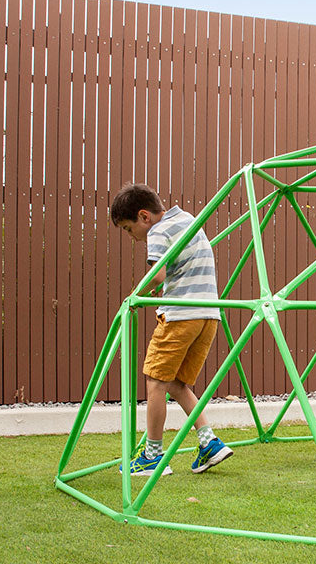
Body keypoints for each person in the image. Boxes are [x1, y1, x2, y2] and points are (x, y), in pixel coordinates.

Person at [107, 183, 233, 476]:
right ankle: (209, 442)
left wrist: (134, 296)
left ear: (144, 216)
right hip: (208, 315)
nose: (131, 237)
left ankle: (152, 456)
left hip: (180, 314)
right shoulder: (187, 219)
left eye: (128, 229)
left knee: (155, 382)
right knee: (177, 384)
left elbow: (158, 274)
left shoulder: (158, 231)